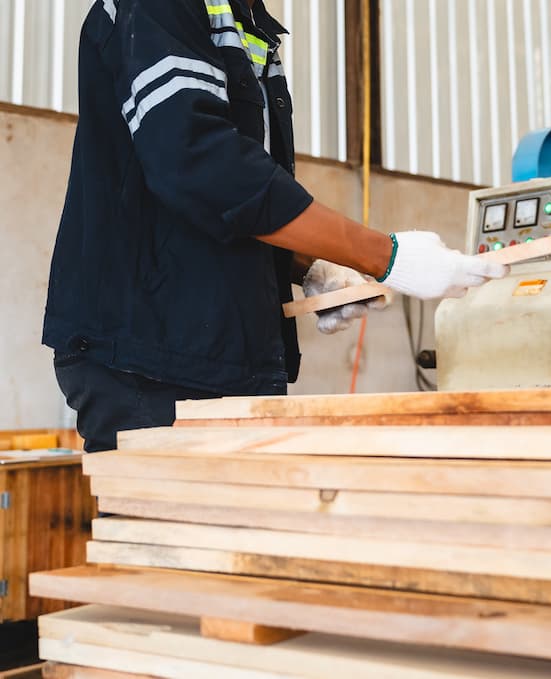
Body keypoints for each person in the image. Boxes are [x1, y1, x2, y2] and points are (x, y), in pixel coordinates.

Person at [43, 0, 507, 453]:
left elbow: (231, 202)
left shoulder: (246, 21)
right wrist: (385, 256)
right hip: (151, 360)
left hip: (215, 354)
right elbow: (201, 164)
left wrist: (306, 265)